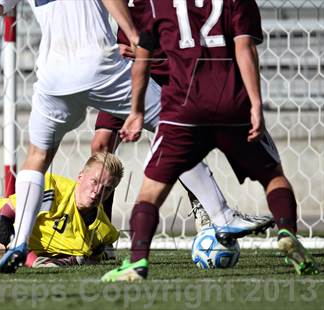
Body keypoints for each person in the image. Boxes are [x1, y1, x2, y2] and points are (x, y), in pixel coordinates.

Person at [0, 0, 271, 274]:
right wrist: (135, 34)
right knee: (175, 127)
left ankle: (19, 243)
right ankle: (221, 215)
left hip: (53, 79)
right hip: (101, 67)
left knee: (36, 158)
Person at [102, 0, 319, 281]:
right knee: (274, 177)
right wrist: (255, 105)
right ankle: (288, 231)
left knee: (150, 192)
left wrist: (136, 111)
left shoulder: (158, 4)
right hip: (232, 104)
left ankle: (137, 262)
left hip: (183, 109)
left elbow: (141, 61)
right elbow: (245, 49)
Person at [91, 0, 273, 238]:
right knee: (101, 145)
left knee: (180, 142)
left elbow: (187, 33)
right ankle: (100, 232)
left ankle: (205, 210)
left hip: (175, 72)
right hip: (131, 70)